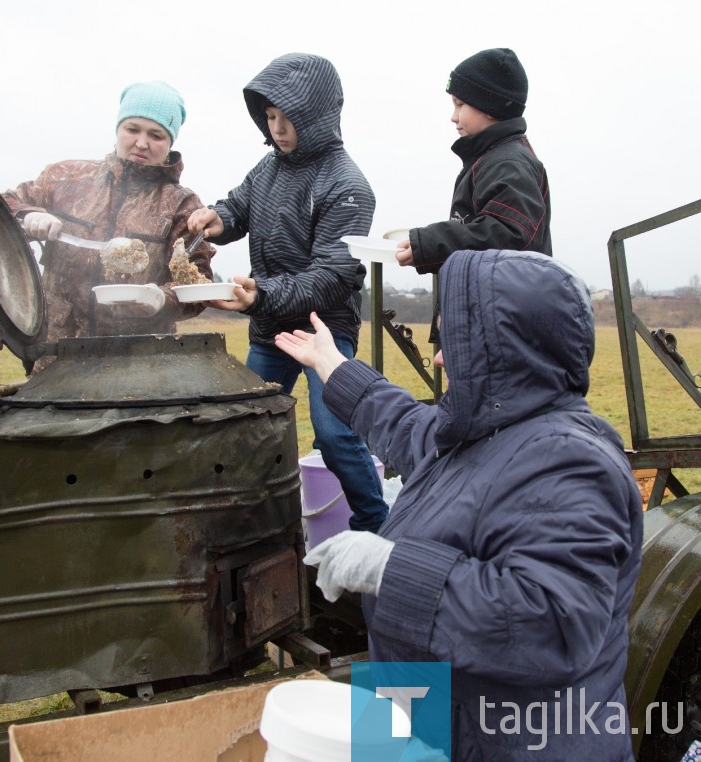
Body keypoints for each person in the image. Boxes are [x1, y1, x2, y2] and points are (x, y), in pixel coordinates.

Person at [275, 250, 643, 759]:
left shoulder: (568, 462)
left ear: (506, 351)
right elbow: (407, 425)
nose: (440, 357)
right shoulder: (487, 432)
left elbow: (553, 623)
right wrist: (334, 367)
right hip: (442, 719)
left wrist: (391, 568)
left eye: (452, 341)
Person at [187, 52, 388, 533]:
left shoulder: (347, 184)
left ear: (317, 115)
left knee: (335, 433)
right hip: (272, 331)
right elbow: (239, 205)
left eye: (288, 117)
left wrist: (260, 296)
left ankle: (378, 526)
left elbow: (331, 276)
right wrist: (218, 218)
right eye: (270, 116)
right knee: (248, 424)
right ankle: (255, 524)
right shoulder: (268, 168)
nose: (277, 128)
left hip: (324, 331)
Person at [2, 80, 214, 370]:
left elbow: (198, 286)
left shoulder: (181, 204)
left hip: (140, 359)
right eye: (132, 129)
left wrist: (160, 300)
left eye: (156, 135)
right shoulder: (65, 178)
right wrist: (28, 214)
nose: (141, 143)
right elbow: (0, 205)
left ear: (170, 143)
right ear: (118, 129)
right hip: (55, 352)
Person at [395, 48, 551, 275]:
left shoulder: (508, 163)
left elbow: (509, 234)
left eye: (460, 104)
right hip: (489, 301)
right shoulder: (488, 159)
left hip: (504, 304)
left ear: (489, 107)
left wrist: (429, 244)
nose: (453, 116)